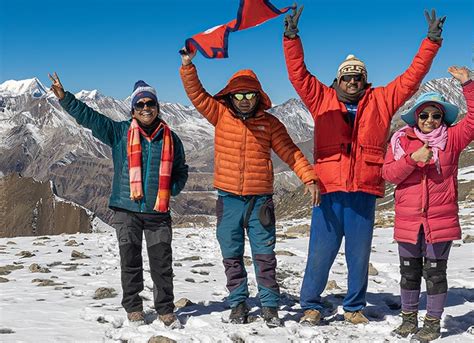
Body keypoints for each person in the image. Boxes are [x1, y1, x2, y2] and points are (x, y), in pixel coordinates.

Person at [282, 6, 445, 325]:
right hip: (328, 192)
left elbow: (413, 76)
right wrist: (291, 37)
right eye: (348, 76)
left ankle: (354, 307)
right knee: (319, 253)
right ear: (339, 78)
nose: (353, 81)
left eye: (358, 77)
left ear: (364, 79)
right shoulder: (321, 98)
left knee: (359, 256)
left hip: (363, 192)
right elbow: (297, 74)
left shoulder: (382, 99)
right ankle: (311, 305)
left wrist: (431, 42)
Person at [179, 49, 320, 328]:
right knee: (231, 255)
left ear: (258, 96)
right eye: (239, 95)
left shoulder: (270, 124)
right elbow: (197, 94)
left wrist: (309, 178)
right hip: (228, 198)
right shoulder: (219, 114)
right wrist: (187, 66)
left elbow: (291, 153)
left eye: (249, 95)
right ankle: (238, 303)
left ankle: (269, 305)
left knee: (264, 256)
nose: (244, 100)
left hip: (260, 202)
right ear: (230, 96)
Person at [48, 74, 188, 328]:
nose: (146, 108)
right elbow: (90, 118)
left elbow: (181, 169)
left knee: (161, 262)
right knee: (130, 259)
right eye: (140, 105)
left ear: (157, 107)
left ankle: (165, 309)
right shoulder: (118, 132)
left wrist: (171, 188)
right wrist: (65, 98)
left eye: (150, 104)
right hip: (126, 209)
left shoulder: (171, 138)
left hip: (158, 211)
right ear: (133, 109)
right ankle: (134, 307)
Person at [383, 66, 473, 342]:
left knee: (435, 273)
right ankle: (409, 319)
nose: (430, 120)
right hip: (409, 219)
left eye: (436, 115)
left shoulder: (453, 139)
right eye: (424, 115)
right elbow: (388, 174)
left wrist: (468, 84)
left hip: (440, 219)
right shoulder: (400, 141)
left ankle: (432, 323)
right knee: (409, 272)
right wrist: (413, 159)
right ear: (416, 118)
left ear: (443, 118)